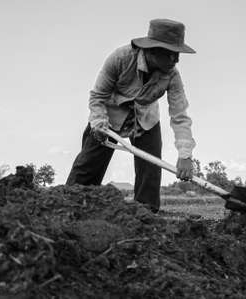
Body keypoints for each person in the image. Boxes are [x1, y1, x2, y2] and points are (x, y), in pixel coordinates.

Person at [66, 19, 196, 213]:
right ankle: (68, 206)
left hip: (145, 119)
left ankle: (146, 216)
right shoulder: (120, 58)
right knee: (87, 167)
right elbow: (97, 97)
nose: (176, 60)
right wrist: (99, 124)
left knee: (150, 172)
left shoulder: (172, 75)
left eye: (177, 54)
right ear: (152, 50)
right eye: (170, 54)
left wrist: (185, 155)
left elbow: (179, 115)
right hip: (109, 116)